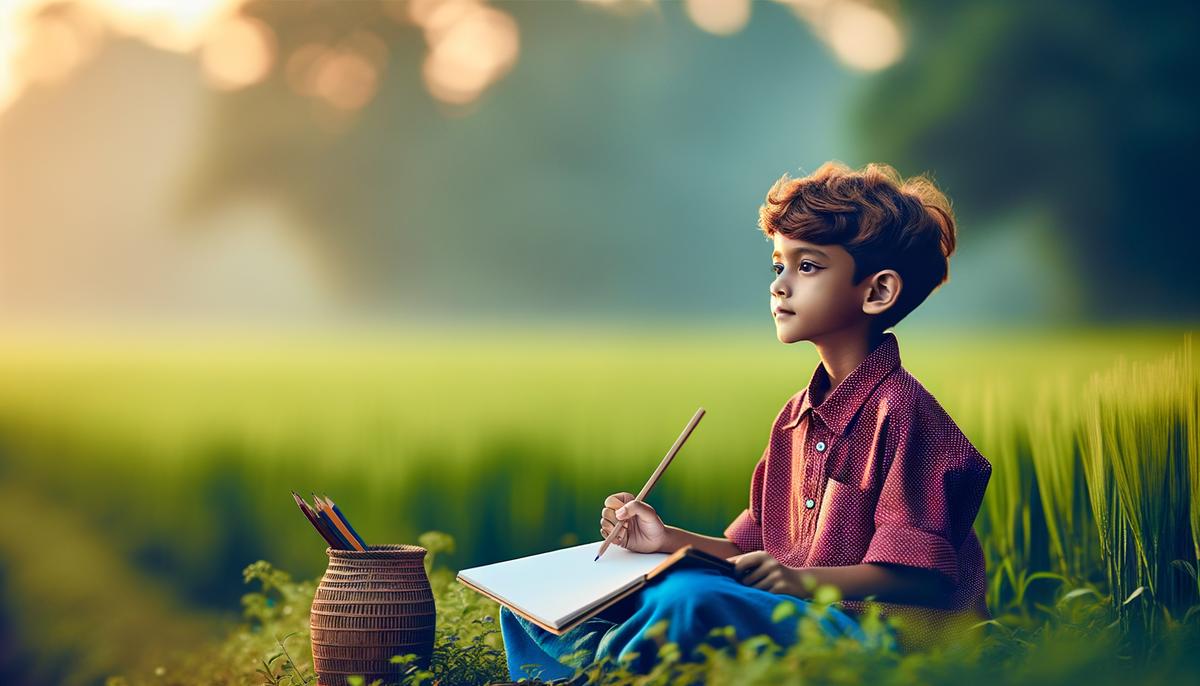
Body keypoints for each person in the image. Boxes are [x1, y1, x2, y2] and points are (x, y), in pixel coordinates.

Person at [500, 161, 993, 681]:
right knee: (536, 601)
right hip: (791, 614)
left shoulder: (907, 415)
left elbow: (922, 579)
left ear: (876, 292)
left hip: (879, 637)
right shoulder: (795, 419)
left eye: (807, 266)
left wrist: (802, 582)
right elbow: (748, 549)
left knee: (690, 597)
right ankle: (603, 659)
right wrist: (665, 540)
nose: (780, 285)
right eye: (777, 265)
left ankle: (603, 666)